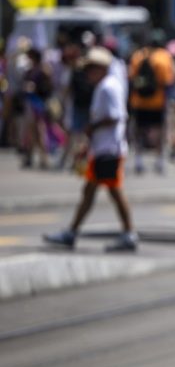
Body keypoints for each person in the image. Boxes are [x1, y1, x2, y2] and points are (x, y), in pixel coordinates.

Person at [42, 47, 138, 252]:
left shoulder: (108, 87)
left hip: (109, 148)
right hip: (104, 148)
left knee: (113, 192)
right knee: (90, 192)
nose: (87, 74)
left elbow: (116, 116)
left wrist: (91, 128)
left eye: (91, 69)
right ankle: (72, 232)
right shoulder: (107, 85)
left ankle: (128, 233)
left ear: (102, 68)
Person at [127, 31, 175, 174]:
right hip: (157, 101)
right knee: (159, 130)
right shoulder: (164, 57)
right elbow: (169, 80)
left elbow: (131, 77)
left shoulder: (138, 56)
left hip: (139, 101)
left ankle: (138, 159)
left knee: (139, 130)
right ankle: (159, 160)